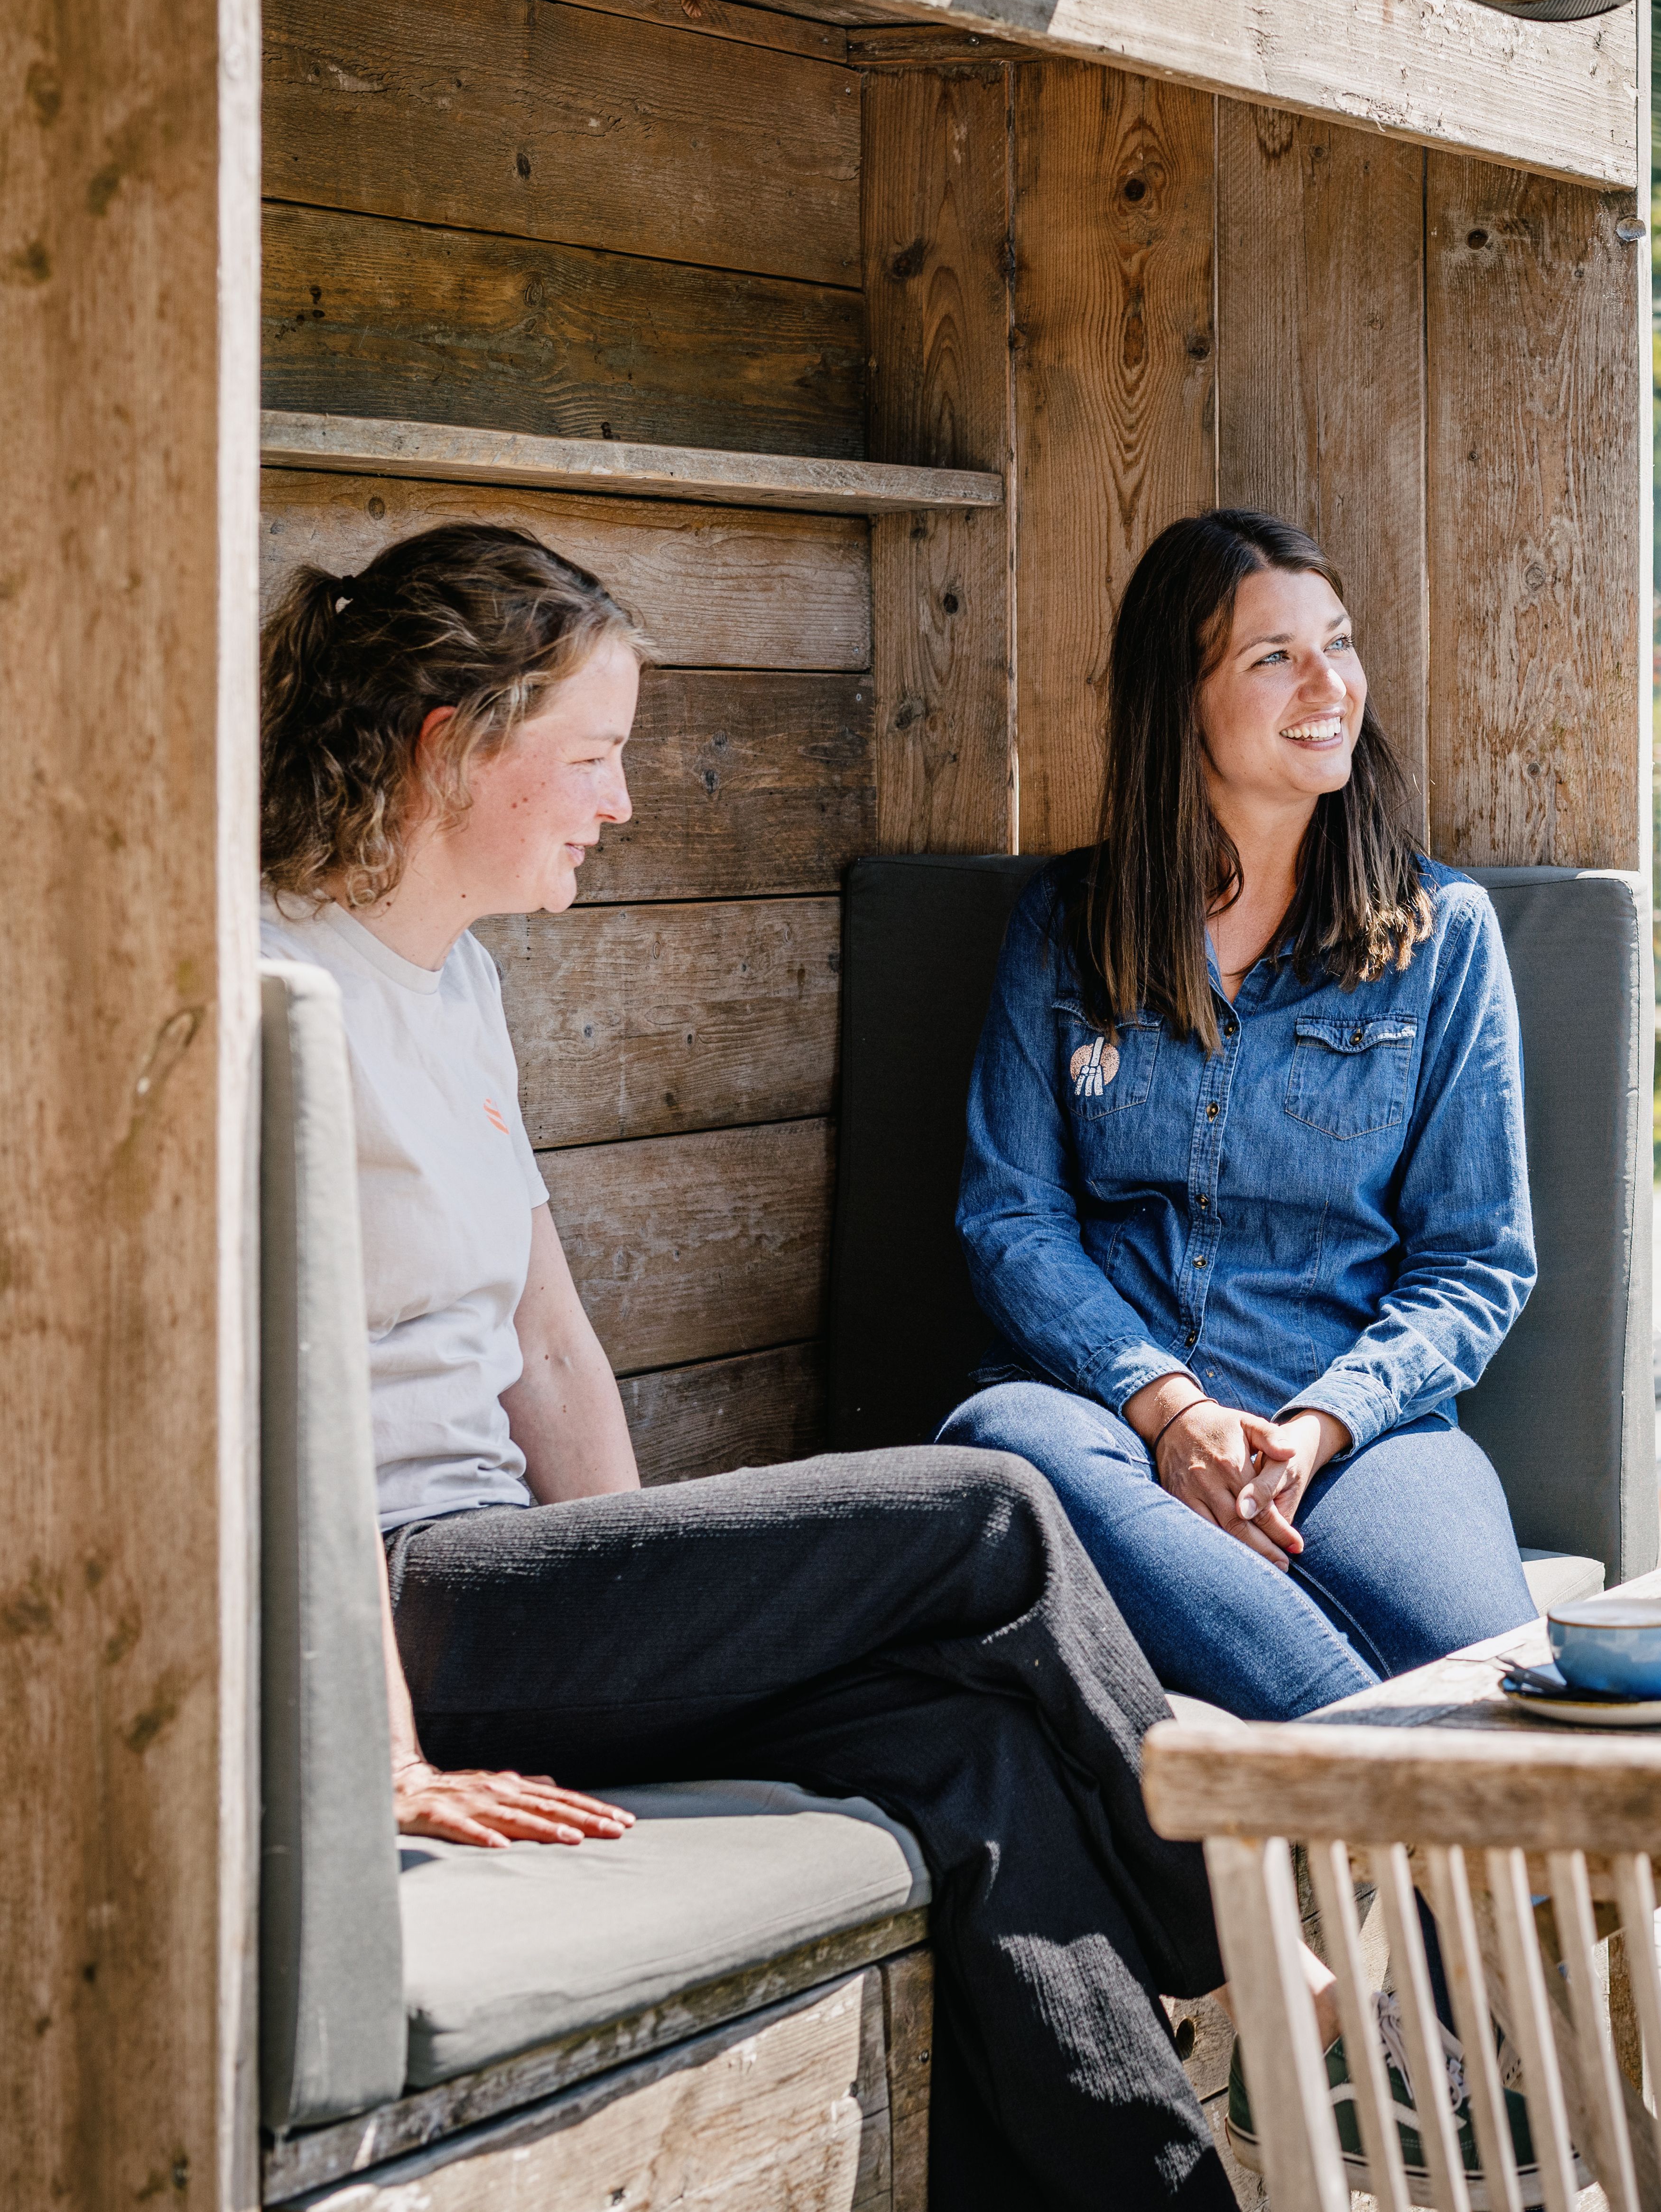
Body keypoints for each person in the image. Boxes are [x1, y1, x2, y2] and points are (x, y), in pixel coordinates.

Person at [257, 523, 1238, 2210]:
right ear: (454, 747)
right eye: (592, 755)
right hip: (395, 1615)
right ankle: (1235, 1901)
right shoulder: (281, 993)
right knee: (985, 1508)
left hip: (510, 1589)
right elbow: (291, 1423)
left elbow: (547, 1343)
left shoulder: (455, 979)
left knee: (969, 1752)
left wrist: (655, 1620)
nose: (621, 800)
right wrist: (388, 1757)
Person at [942, 509, 1543, 1721]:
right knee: (996, 1446)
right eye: (1274, 657)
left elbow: (1476, 1261)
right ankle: (1362, 1757)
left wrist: (1316, 1427)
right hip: (1105, 1416)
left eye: (1338, 642)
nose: (1329, 685)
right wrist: (1172, 1411)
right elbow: (1011, 1218)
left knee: (1492, 1663)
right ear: (1183, 699)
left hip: (1358, 1428)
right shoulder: (1067, 925)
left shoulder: (1441, 937)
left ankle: (1390, 1775)